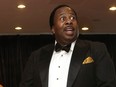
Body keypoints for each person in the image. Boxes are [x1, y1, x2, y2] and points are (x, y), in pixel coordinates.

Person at [20, 4, 116, 87]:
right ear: (53, 29)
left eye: (72, 18)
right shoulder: (36, 56)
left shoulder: (96, 49)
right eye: (63, 18)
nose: (69, 21)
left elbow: (108, 84)